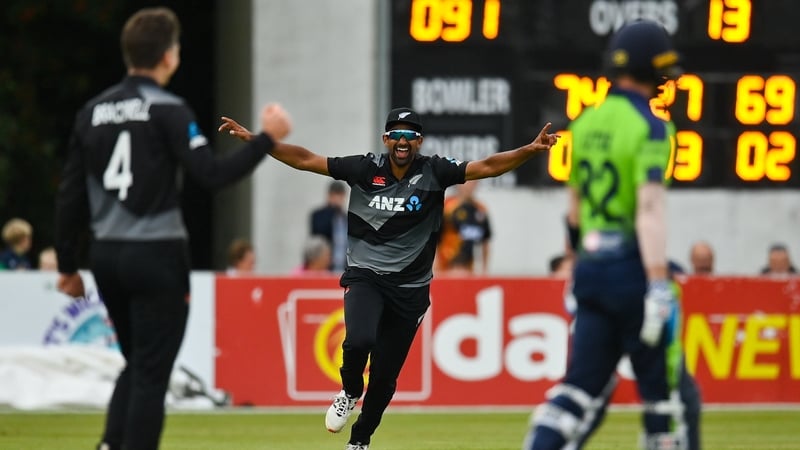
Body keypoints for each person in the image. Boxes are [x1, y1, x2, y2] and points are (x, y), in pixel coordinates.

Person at [220, 107, 558, 450]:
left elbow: (486, 167)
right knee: (358, 341)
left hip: (410, 290)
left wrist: (529, 150)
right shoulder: (365, 168)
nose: (402, 140)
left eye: (410, 135)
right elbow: (306, 159)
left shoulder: (435, 171)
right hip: (367, 276)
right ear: (385, 139)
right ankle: (350, 390)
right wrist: (257, 142)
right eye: (396, 134)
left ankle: (359, 441)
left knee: (383, 379)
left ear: (419, 142)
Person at [53, 7, 291, 450]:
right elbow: (213, 176)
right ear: (169, 56)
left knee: (138, 362)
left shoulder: (92, 112)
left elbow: (69, 197)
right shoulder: (168, 108)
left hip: (106, 256)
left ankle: (109, 445)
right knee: (152, 372)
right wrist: (266, 138)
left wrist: (68, 264)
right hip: (156, 255)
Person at [523, 21, 691, 450]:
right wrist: (657, 283)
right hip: (632, 270)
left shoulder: (585, 123)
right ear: (651, 69)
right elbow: (649, 211)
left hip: (592, 270)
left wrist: (575, 270)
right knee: (663, 402)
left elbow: (574, 211)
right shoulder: (651, 127)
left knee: (575, 394)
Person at [435, 179, 492, 274]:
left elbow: (485, 241)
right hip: (445, 267)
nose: (470, 186)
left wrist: (484, 270)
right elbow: (434, 238)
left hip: (468, 269)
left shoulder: (480, 209)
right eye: (467, 182)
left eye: (474, 182)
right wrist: (435, 265)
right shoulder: (447, 207)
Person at [310, 180, 349, 273]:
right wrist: (331, 210)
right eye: (335, 195)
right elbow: (318, 235)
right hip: (324, 267)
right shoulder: (318, 215)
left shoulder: (345, 218)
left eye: (340, 195)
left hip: (343, 268)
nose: (338, 198)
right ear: (329, 195)